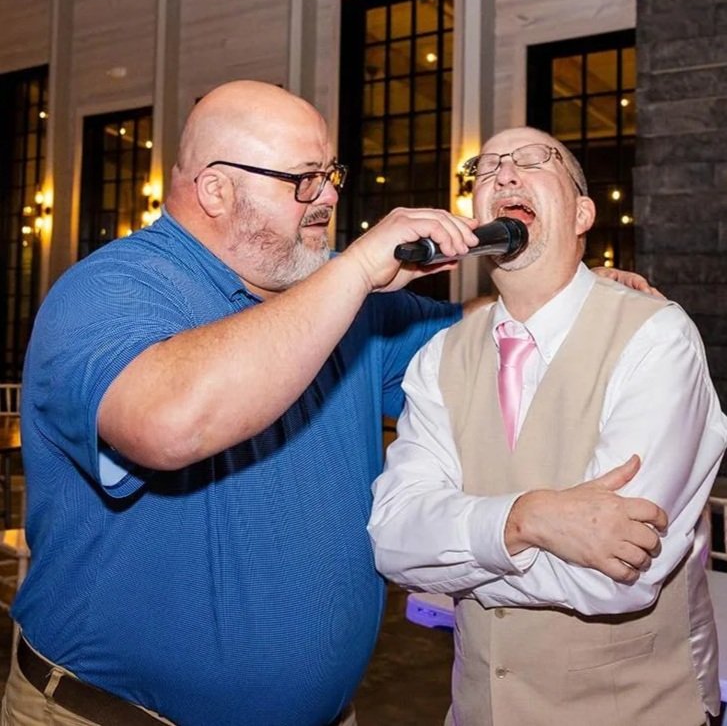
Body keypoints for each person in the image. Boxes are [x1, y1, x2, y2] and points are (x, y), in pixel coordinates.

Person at [5, 82, 665, 726]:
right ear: (214, 189)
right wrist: (352, 270)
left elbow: (482, 343)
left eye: (330, 174)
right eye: (302, 180)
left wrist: (566, 296)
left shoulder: (348, 311)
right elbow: (169, 422)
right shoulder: (108, 290)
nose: (326, 197)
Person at [369, 126, 727, 726]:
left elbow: (616, 577)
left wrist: (458, 550)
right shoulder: (438, 359)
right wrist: (528, 519)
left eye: (535, 162)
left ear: (583, 212)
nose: (504, 174)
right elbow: (394, 542)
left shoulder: (656, 337)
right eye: (487, 169)